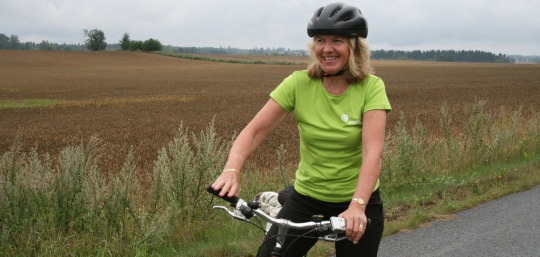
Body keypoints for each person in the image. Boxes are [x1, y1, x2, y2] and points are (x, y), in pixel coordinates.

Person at [211, 2, 391, 256]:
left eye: (336, 40)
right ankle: (284, 199)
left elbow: (373, 152)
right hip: (307, 197)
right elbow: (253, 132)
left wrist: (357, 206)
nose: (327, 48)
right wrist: (232, 169)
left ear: (354, 47)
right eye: (320, 40)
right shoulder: (298, 83)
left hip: (357, 199)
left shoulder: (372, 87)